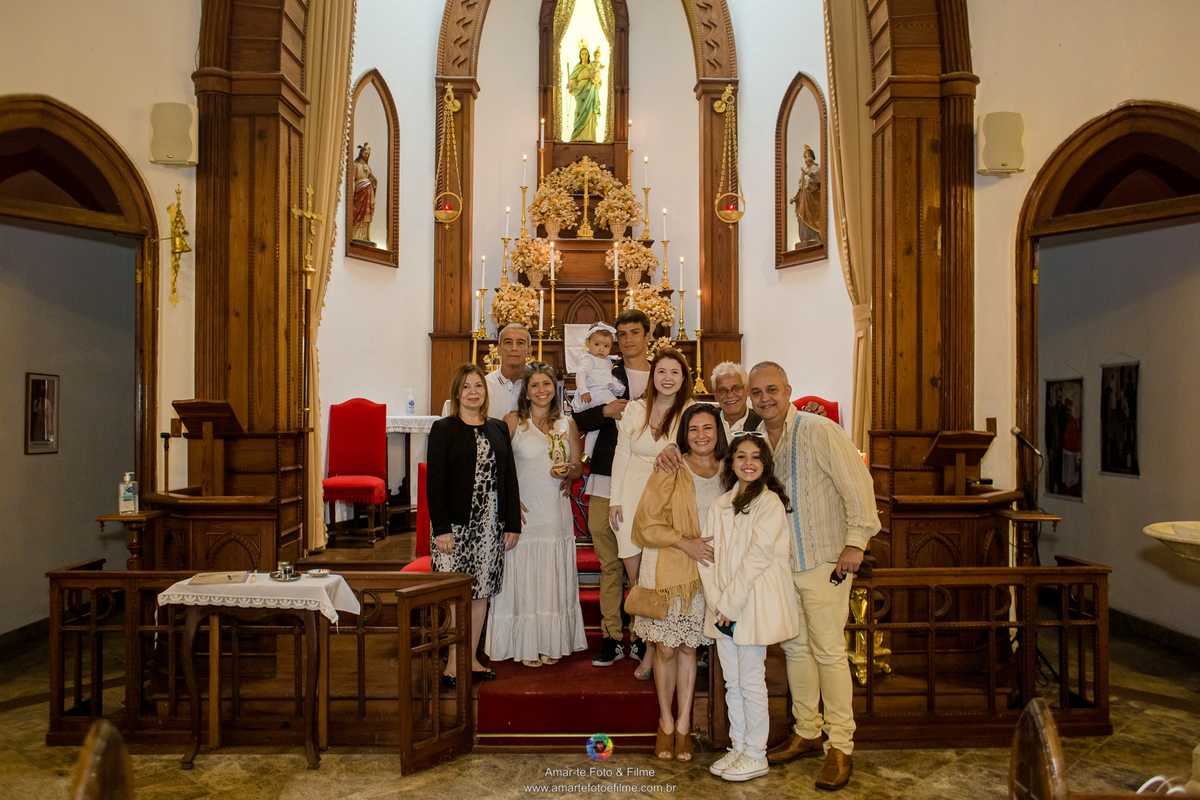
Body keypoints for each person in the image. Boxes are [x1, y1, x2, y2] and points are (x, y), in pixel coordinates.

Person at [748, 361, 879, 792]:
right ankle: (807, 730)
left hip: (826, 561)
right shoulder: (758, 442)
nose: (765, 398)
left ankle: (840, 746)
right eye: (757, 392)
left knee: (828, 652)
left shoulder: (820, 431)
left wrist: (856, 542)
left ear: (788, 390)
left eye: (772, 389)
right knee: (796, 651)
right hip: (784, 566)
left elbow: (857, 485)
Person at [700, 431, 800, 783]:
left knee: (752, 680)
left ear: (765, 464)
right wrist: (716, 602)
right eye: (741, 456)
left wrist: (730, 604)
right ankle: (738, 745)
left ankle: (756, 753)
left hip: (751, 603)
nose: (748, 462)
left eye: (755, 456)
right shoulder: (720, 504)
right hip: (723, 606)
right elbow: (707, 556)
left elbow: (758, 557)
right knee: (732, 681)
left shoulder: (769, 503)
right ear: (731, 463)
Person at [630, 404, 726, 762]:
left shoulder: (729, 471)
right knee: (667, 649)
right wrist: (687, 542)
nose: (701, 435)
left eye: (708, 428)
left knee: (689, 649)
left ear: (718, 432)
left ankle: (684, 725)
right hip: (669, 567)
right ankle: (665, 722)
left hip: (708, 572)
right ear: (683, 435)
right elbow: (645, 522)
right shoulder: (672, 466)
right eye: (693, 429)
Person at [427, 363, 522, 686]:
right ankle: (453, 662)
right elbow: (434, 483)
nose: (473, 392)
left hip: (490, 526)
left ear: (486, 392)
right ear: (457, 392)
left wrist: (512, 524)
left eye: (478, 386)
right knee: (456, 593)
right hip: (454, 527)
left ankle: (471, 659)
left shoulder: (497, 428)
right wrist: (441, 528)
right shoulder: (444, 429)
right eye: (466, 387)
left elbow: (508, 478)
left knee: (481, 592)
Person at [486, 362, 587, 667]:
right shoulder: (513, 421)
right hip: (525, 511)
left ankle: (549, 642)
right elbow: (497, 468)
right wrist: (510, 501)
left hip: (555, 511)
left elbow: (577, 465)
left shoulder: (565, 423)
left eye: (546, 384)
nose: (541, 390)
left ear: (553, 389)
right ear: (525, 391)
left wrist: (571, 471)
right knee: (524, 573)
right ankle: (524, 643)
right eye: (535, 385)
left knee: (550, 575)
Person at [573, 309, 652, 668]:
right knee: (609, 562)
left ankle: (641, 635)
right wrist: (606, 411)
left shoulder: (663, 372)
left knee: (645, 563)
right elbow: (577, 417)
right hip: (605, 475)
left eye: (635, 332)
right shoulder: (604, 368)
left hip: (649, 481)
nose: (627, 340)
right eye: (621, 334)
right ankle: (610, 636)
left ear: (648, 335)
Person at [610, 347, 695, 679]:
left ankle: (653, 653)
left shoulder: (690, 411)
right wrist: (615, 499)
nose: (668, 378)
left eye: (675, 372)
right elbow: (621, 453)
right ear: (652, 376)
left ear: (683, 378)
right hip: (631, 494)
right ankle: (646, 644)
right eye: (662, 372)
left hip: (667, 499)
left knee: (660, 578)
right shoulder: (634, 409)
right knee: (638, 582)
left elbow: (697, 453)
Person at [572, 322, 624, 460]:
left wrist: (616, 358)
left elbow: (609, 359)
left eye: (606, 346)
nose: (601, 349)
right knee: (620, 410)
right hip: (595, 393)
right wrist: (583, 391)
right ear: (588, 342)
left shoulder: (604, 358)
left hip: (601, 391)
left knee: (595, 428)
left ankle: (587, 454)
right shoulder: (588, 359)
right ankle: (623, 436)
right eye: (597, 344)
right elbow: (580, 374)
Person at [486, 323, 533, 419]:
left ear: (529, 350)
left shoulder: (539, 384)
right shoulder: (485, 385)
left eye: (520, 343)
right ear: (498, 349)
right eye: (508, 342)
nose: (514, 348)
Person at [710, 362, 761, 436]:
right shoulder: (708, 422)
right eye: (722, 390)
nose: (730, 395)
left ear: (747, 390)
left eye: (736, 388)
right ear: (715, 395)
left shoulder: (761, 424)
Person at [567, 41, 604, 142]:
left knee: (590, 112)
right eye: (582, 54)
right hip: (580, 93)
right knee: (579, 112)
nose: (584, 55)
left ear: (588, 55)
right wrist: (570, 86)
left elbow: (599, 81)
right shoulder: (577, 68)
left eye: (586, 54)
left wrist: (596, 81)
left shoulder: (591, 67)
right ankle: (577, 136)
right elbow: (572, 80)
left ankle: (589, 136)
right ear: (580, 55)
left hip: (590, 92)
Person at [790, 145, 821, 246]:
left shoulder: (817, 168)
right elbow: (801, 188)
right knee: (801, 215)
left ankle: (814, 237)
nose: (805, 160)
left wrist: (811, 180)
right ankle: (805, 238)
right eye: (804, 158)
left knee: (811, 215)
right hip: (804, 198)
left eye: (807, 157)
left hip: (813, 198)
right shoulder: (805, 171)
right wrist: (796, 197)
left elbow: (818, 182)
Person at [351, 143, 378, 244]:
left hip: (367, 191)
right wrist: (352, 191)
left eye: (368, 154)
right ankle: (355, 234)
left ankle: (364, 236)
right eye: (365, 153)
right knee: (358, 210)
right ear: (361, 153)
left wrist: (374, 181)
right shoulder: (355, 165)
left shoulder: (368, 167)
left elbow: (372, 178)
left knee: (367, 213)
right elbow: (353, 179)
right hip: (359, 191)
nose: (367, 156)